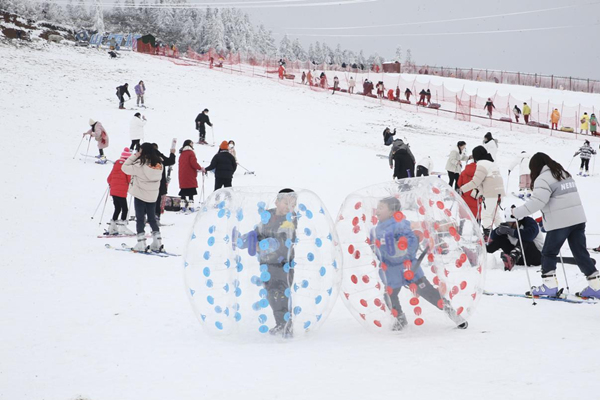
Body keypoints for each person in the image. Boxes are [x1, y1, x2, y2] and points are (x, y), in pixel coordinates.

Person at [370, 197, 467, 331]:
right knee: (389, 296)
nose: (377, 211)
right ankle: (399, 319)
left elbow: (412, 242)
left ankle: (451, 312)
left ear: (392, 211)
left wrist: (401, 250)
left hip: (409, 269)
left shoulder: (400, 225)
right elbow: (376, 248)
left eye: (381, 208)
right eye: (378, 207)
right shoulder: (375, 230)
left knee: (429, 293)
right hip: (391, 272)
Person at [512, 152, 600, 298]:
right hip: (578, 220)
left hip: (561, 222)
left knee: (548, 253)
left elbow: (538, 202)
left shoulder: (542, 179)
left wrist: (516, 213)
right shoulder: (563, 173)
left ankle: (549, 285)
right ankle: (596, 286)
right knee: (580, 253)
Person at [238, 189, 298, 337]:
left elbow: (285, 239)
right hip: (267, 264)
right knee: (272, 294)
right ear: (276, 202)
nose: (289, 207)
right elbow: (259, 231)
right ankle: (280, 324)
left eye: (293, 204)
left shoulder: (290, 219)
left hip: (283, 264)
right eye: (286, 203)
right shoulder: (267, 216)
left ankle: (287, 327)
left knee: (283, 294)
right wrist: (249, 239)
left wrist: (268, 244)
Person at [121, 143, 164, 252]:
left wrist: (135, 155)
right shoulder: (159, 164)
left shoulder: (140, 164)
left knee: (140, 218)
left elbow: (124, 167)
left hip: (140, 194)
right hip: (152, 195)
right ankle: (157, 241)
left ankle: (141, 242)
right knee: (152, 219)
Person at [459, 146, 505, 238]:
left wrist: (462, 189)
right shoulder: (492, 163)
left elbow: (475, 181)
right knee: (495, 216)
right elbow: (485, 180)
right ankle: (504, 235)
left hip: (490, 194)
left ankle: (488, 237)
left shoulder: (481, 164)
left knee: (486, 215)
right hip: (499, 192)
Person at [106, 148, 134, 236]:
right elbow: (129, 179)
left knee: (117, 208)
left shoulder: (116, 165)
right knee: (125, 209)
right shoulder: (126, 167)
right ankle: (122, 226)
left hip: (113, 191)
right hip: (121, 192)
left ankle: (112, 227)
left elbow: (109, 179)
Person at [178, 140, 205, 213]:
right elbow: (193, 163)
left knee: (183, 192)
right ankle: (191, 207)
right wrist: (200, 168)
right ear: (189, 144)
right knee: (191, 192)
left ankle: (182, 207)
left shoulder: (182, 153)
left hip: (182, 175)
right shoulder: (191, 153)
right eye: (192, 143)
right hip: (190, 175)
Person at [153, 143, 176, 225]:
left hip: (147, 183)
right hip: (159, 182)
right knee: (157, 200)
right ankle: (156, 217)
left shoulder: (145, 157)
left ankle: (146, 216)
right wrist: (172, 153)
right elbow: (171, 161)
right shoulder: (159, 156)